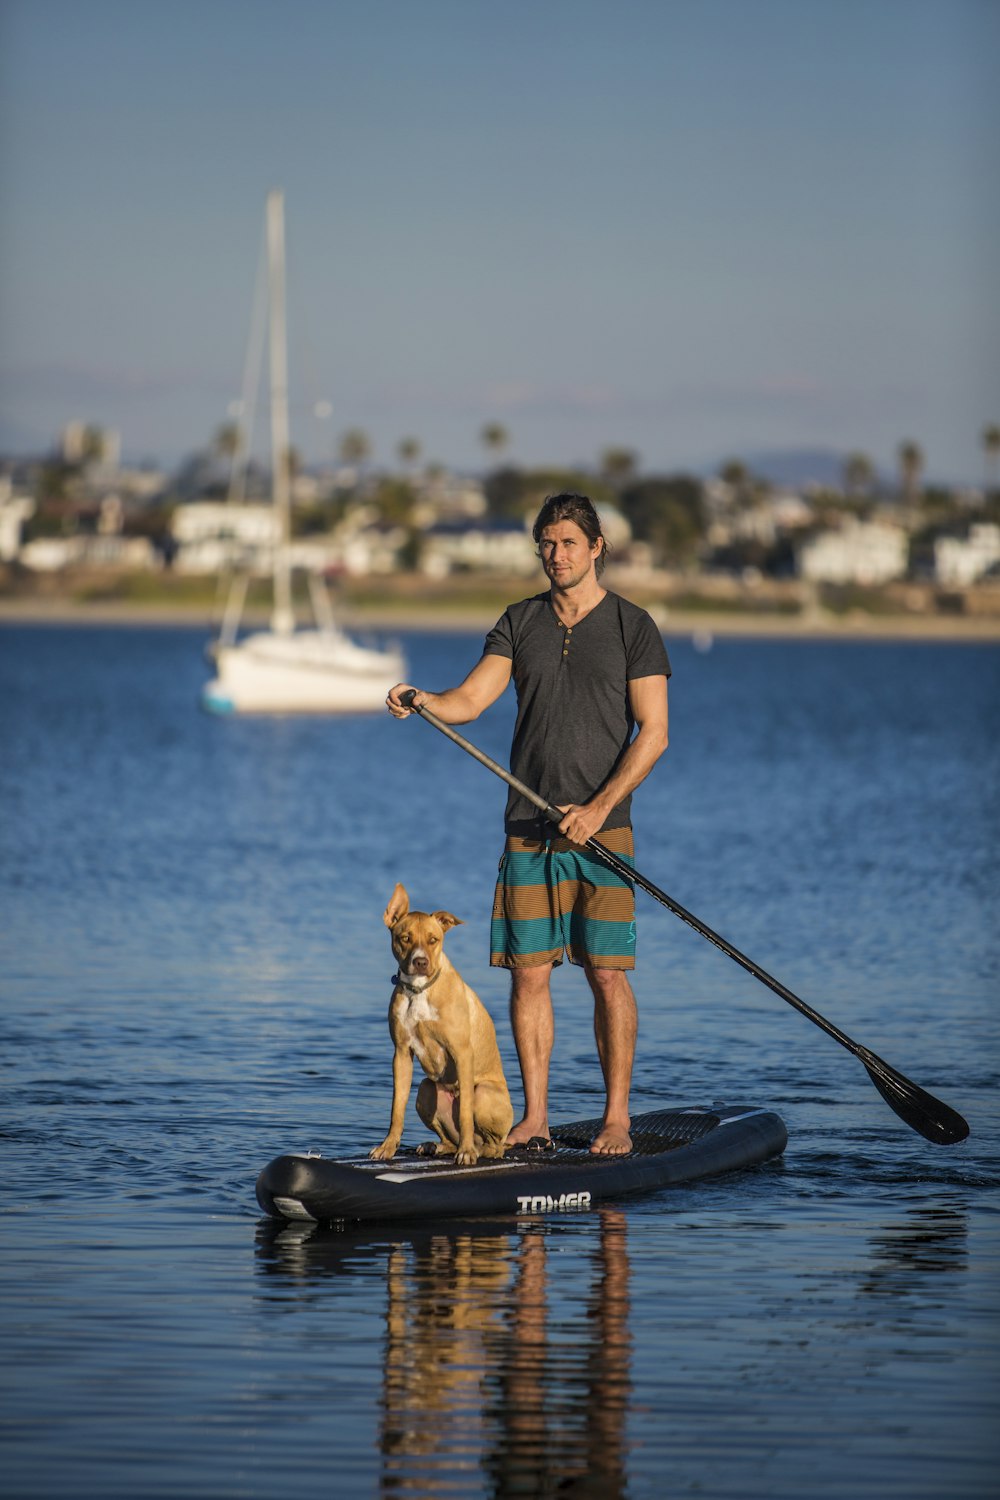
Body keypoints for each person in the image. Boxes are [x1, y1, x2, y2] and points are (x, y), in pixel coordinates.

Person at [387, 492, 670, 1155]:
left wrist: (597, 809)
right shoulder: (521, 621)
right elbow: (471, 698)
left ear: (596, 547)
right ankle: (536, 1117)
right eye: (546, 543)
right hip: (528, 830)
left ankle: (616, 1120)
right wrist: (424, 699)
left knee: (606, 974)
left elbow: (654, 734)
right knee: (529, 974)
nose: (556, 554)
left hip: (605, 835)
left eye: (569, 542)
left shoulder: (634, 627)